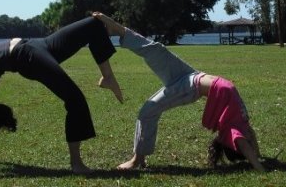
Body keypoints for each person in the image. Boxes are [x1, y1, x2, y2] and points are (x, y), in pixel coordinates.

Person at [0, 15, 123, 176]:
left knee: (93, 24)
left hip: (34, 47)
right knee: (75, 99)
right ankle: (76, 163)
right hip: (29, 57)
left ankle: (108, 75)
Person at [92, 12, 265, 172]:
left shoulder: (233, 131)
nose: (251, 136)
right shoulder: (244, 124)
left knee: (147, 111)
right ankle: (118, 29)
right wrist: (258, 154)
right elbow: (252, 141)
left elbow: (244, 146)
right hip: (193, 75)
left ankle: (137, 159)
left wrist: (257, 166)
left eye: (248, 141)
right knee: (157, 49)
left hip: (190, 88)